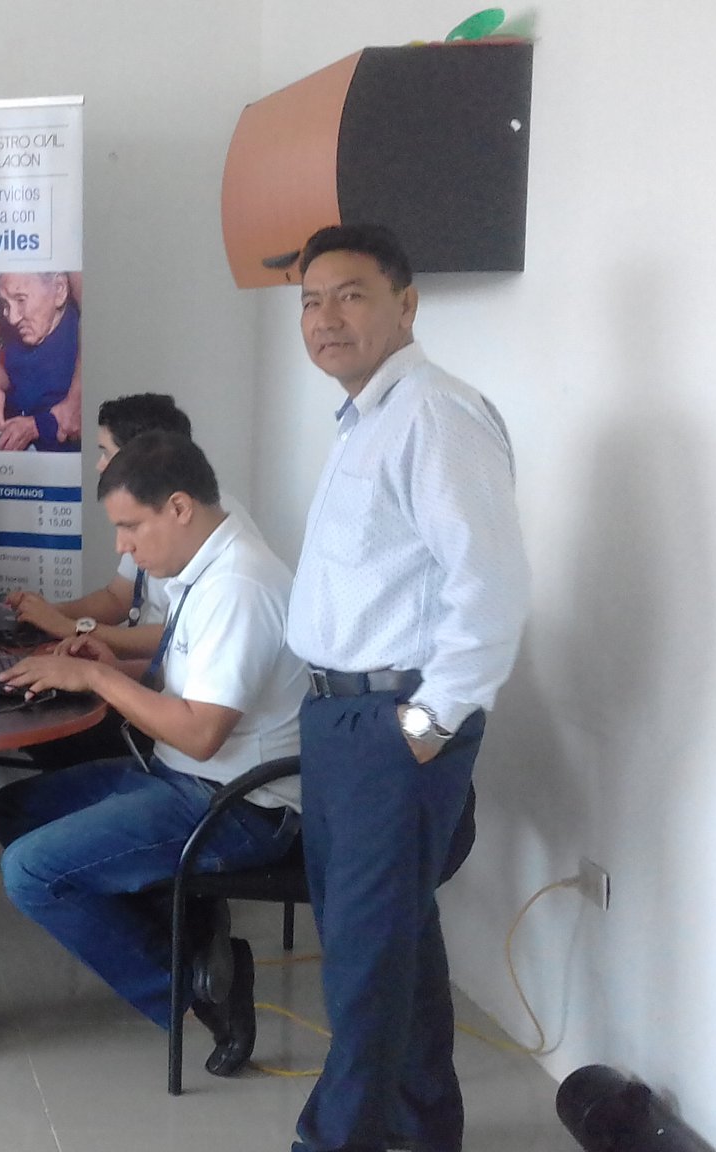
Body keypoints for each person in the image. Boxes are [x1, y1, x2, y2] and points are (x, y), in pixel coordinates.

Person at [284, 224, 529, 1152]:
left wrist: (427, 724)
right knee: (398, 947)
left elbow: (490, 588)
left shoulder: (434, 413)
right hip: (341, 719)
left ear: (406, 304)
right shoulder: (367, 420)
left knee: (364, 965)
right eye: (311, 301)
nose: (326, 317)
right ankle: (425, 1132)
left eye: (350, 295)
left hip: (394, 722)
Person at [0, 432, 309, 1076]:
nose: (123, 546)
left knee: (30, 872)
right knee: (17, 809)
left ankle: (196, 983)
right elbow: (186, 685)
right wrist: (112, 665)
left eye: (131, 526)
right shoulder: (203, 569)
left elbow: (200, 733)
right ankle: (188, 933)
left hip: (239, 806)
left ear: (180, 507)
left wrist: (96, 678)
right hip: (185, 777)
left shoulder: (240, 586)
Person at [6, 393, 194, 657]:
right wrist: (45, 614)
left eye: (106, 453)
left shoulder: (198, 528)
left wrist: (72, 629)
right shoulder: (148, 510)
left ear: (141, 457)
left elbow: (178, 637)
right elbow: (117, 598)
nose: (100, 465)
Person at [0, 272, 83, 452]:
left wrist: (36, 427)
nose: (12, 318)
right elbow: (13, 378)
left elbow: (79, 420)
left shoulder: (82, 345)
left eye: (21, 300)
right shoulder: (19, 338)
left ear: (59, 290)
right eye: (5, 304)